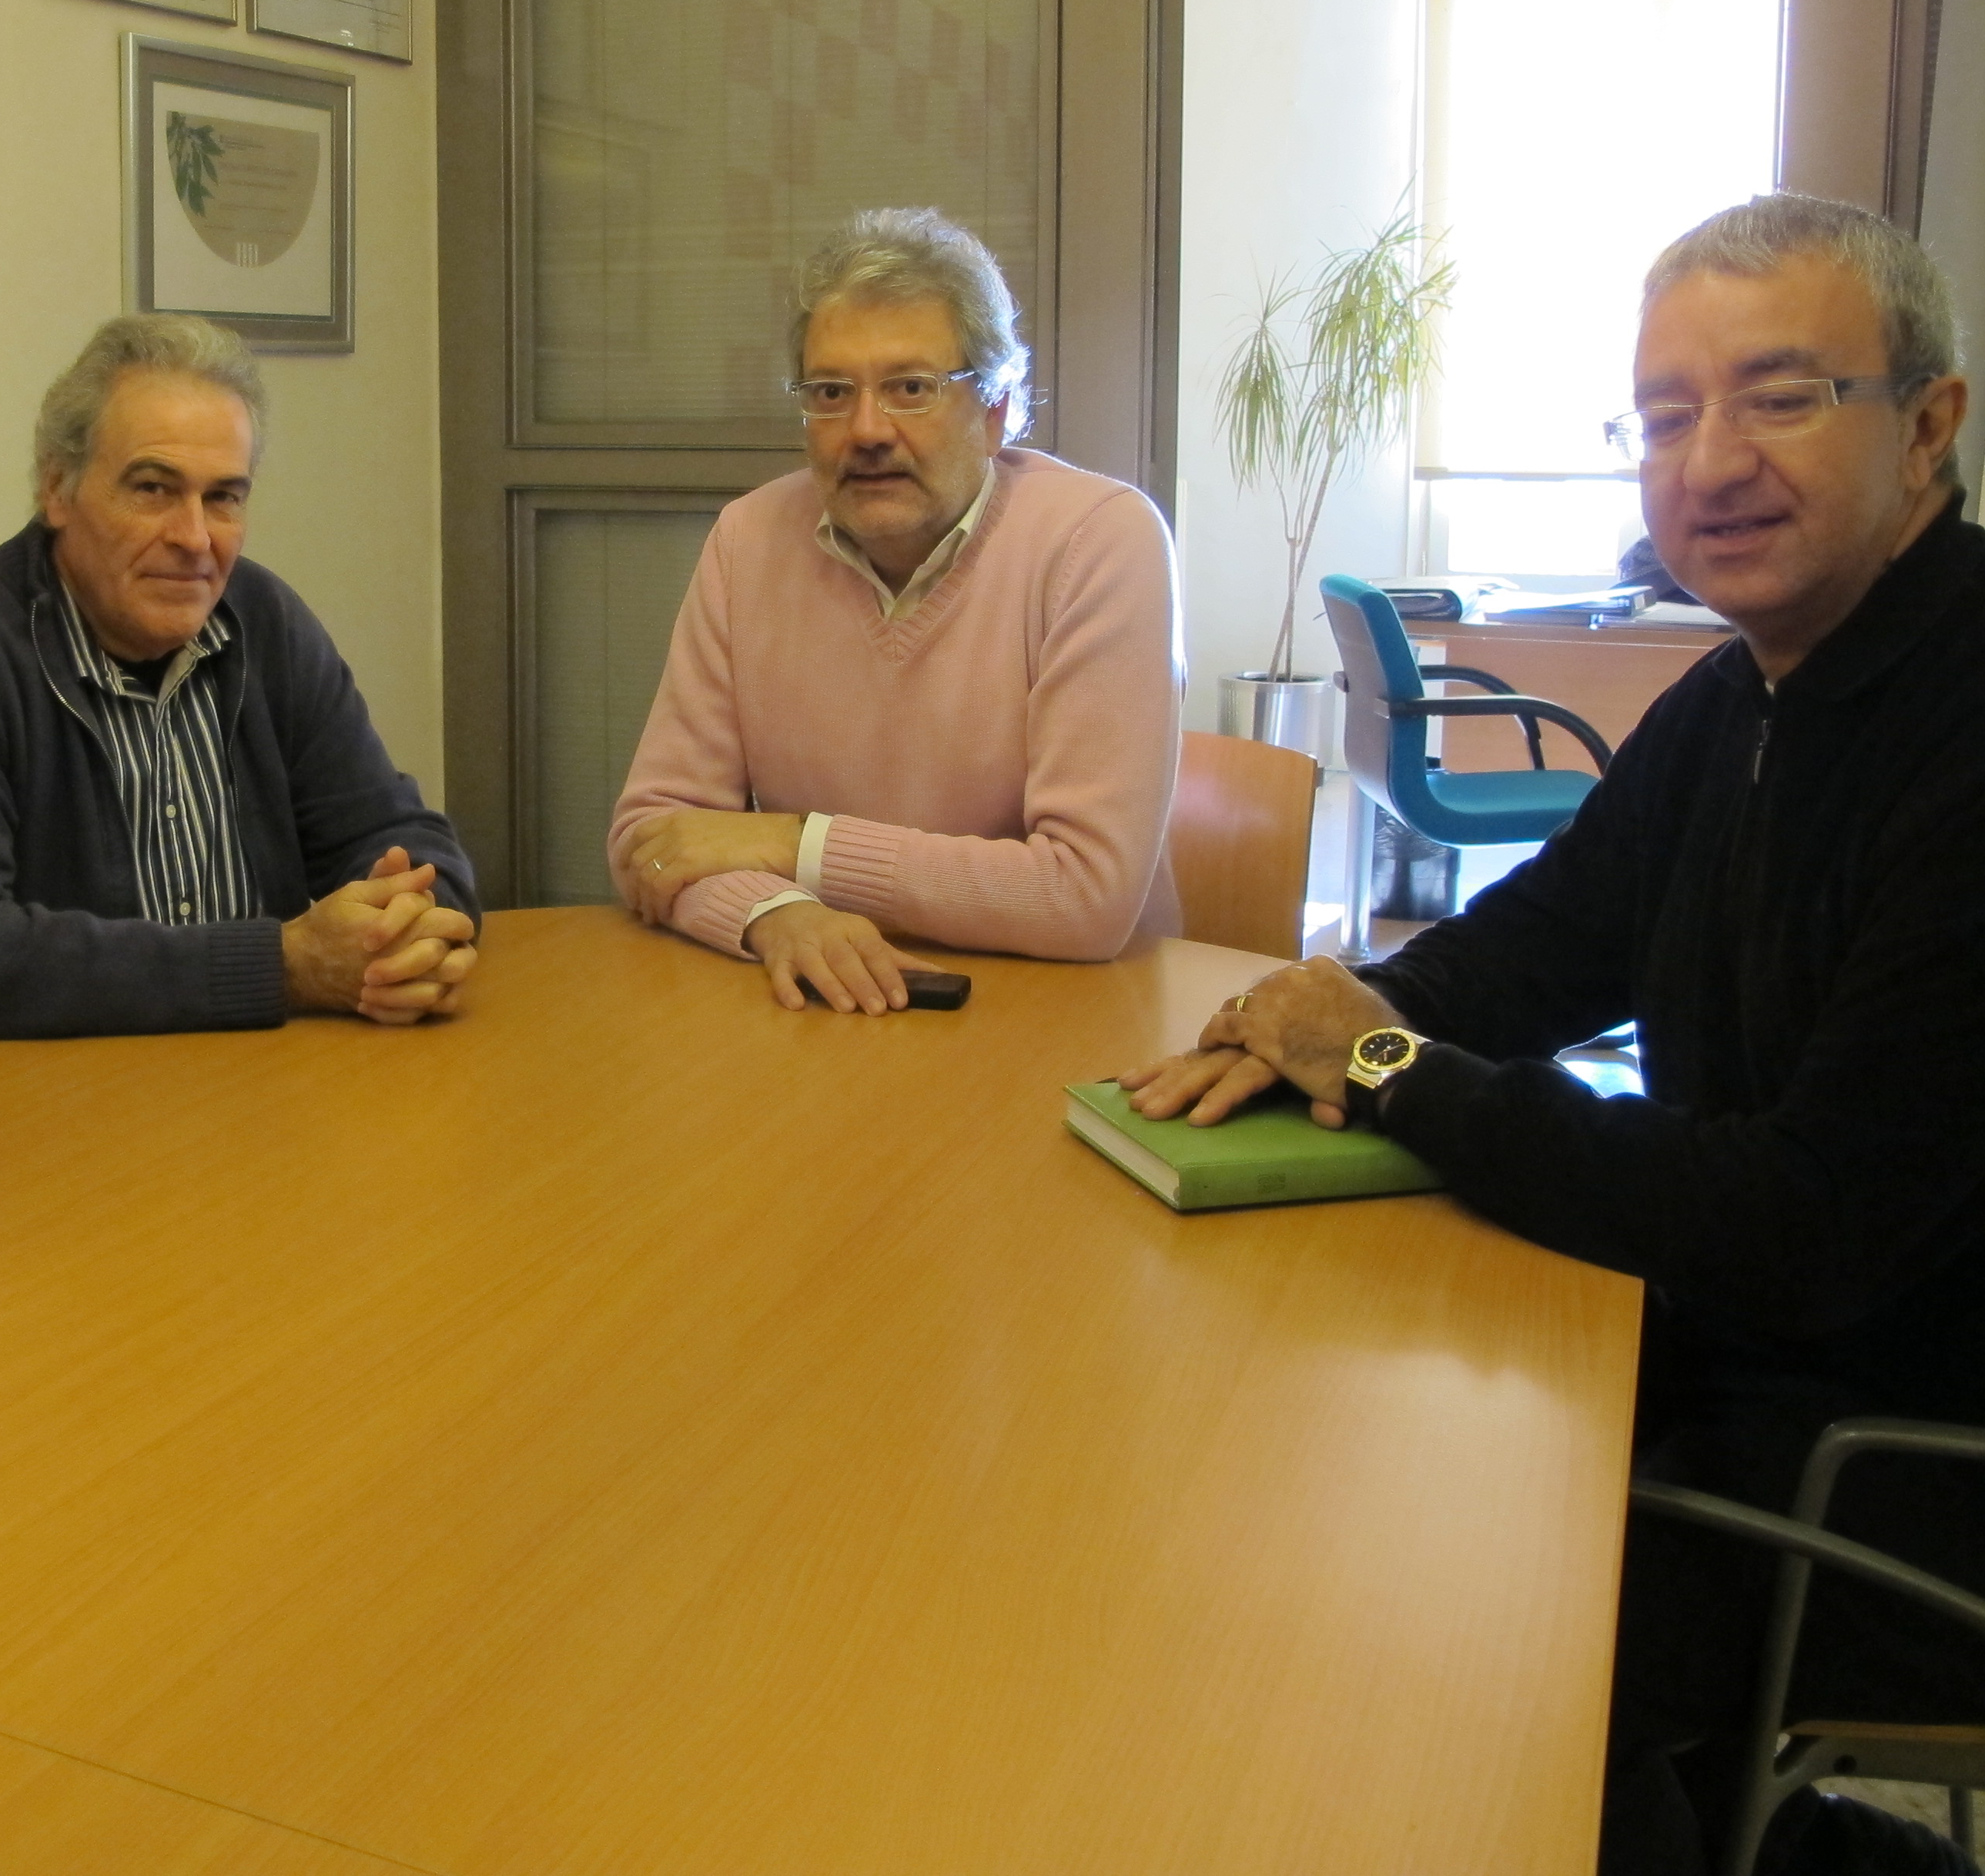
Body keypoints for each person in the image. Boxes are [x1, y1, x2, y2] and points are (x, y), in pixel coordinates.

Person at [1123, 193, 1985, 1876]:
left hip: (1907, 1467)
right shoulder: (1742, 694)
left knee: (1451, 1649)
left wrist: (1386, 1068)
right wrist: (1317, 1017)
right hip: (1754, 1372)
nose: (1709, 462)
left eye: (1781, 396)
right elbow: (1539, 948)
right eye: (1663, 416)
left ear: (1927, 424)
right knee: (1329, 1482)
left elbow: (1803, 1222)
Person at [607, 206, 1181, 1013]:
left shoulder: (1101, 540)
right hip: (832, 1011)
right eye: (831, 393)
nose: (867, 430)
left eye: (911, 388)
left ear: (995, 409)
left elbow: (1085, 896)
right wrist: (776, 914)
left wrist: (791, 843)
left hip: (1071, 1014)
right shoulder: (748, 539)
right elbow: (655, 840)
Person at [0, 314, 477, 1038]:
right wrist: (283, 966)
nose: (194, 538)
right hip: (62, 1088)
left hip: (267, 1075)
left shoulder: (265, 622)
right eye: (153, 489)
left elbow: (397, 832)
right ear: (57, 487)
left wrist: (412, 928)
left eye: (224, 497)